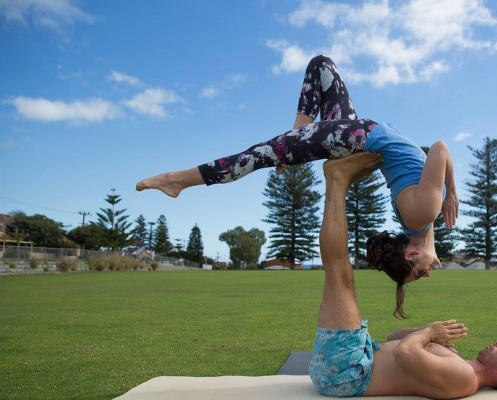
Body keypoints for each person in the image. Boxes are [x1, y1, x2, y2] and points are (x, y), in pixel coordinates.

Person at [136, 55, 458, 318]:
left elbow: (435, 153)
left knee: (262, 154)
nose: (428, 274)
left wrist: (449, 192)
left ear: (412, 252)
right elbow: (440, 149)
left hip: (355, 137)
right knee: (321, 67)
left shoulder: (420, 216)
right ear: (413, 253)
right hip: (356, 135)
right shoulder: (424, 214)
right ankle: (297, 134)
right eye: (419, 275)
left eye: (419, 274)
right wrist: (451, 193)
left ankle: (177, 181)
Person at [309, 153, 497, 398]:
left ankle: (338, 178)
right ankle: (338, 178)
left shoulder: (465, 379)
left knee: (339, 272)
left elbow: (403, 352)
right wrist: (428, 331)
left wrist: (429, 335)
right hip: (354, 363)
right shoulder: (459, 364)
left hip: (348, 373)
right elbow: (393, 338)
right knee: (339, 272)